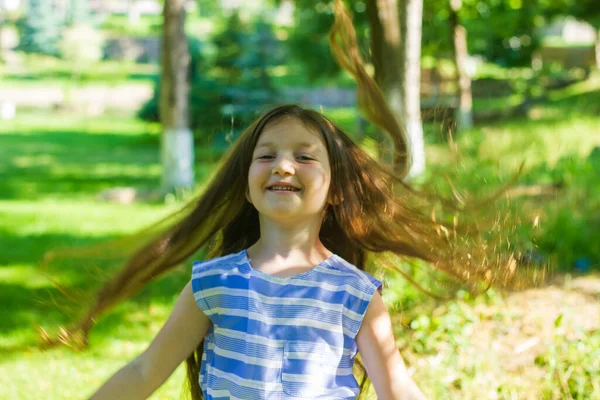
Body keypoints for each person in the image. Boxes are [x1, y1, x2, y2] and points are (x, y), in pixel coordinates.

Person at [43, 0, 522, 399]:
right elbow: (146, 372)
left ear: (335, 191)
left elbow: (396, 387)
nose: (283, 166)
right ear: (246, 182)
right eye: (266, 155)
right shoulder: (214, 282)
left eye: (304, 157)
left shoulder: (355, 294)